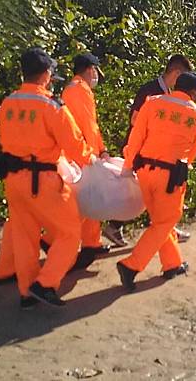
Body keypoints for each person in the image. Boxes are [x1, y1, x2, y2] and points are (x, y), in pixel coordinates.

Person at [0, 47, 94, 309]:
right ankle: (46, 283)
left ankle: (27, 292)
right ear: (47, 74)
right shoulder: (52, 106)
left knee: (24, 235)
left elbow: (4, 140)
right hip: (44, 181)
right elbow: (74, 145)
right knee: (70, 233)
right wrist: (91, 159)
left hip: (14, 179)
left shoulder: (8, 103)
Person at [116, 72, 196, 293]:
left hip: (144, 171)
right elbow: (192, 154)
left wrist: (127, 166)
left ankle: (172, 264)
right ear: (194, 93)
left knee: (160, 221)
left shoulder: (152, 103)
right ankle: (130, 266)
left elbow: (136, 136)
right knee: (167, 220)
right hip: (169, 177)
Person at [103, 54, 194, 247]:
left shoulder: (170, 93)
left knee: (153, 193)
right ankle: (115, 226)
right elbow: (135, 120)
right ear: (176, 73)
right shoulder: (150, 90)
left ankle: (167, 229)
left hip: (156, 152)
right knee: (139, 193)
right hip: (141, 151)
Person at [59, 53, 111, 256]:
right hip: (81, 154)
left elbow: (92, 126)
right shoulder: (81, 90)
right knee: (84, 201)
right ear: (91, 69)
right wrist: (92, 154)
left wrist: (102, 149)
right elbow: (87, 127)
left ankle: (92, 242)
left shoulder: (72, 89)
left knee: (90, 199)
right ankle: (53, 240)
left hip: (79, 152)